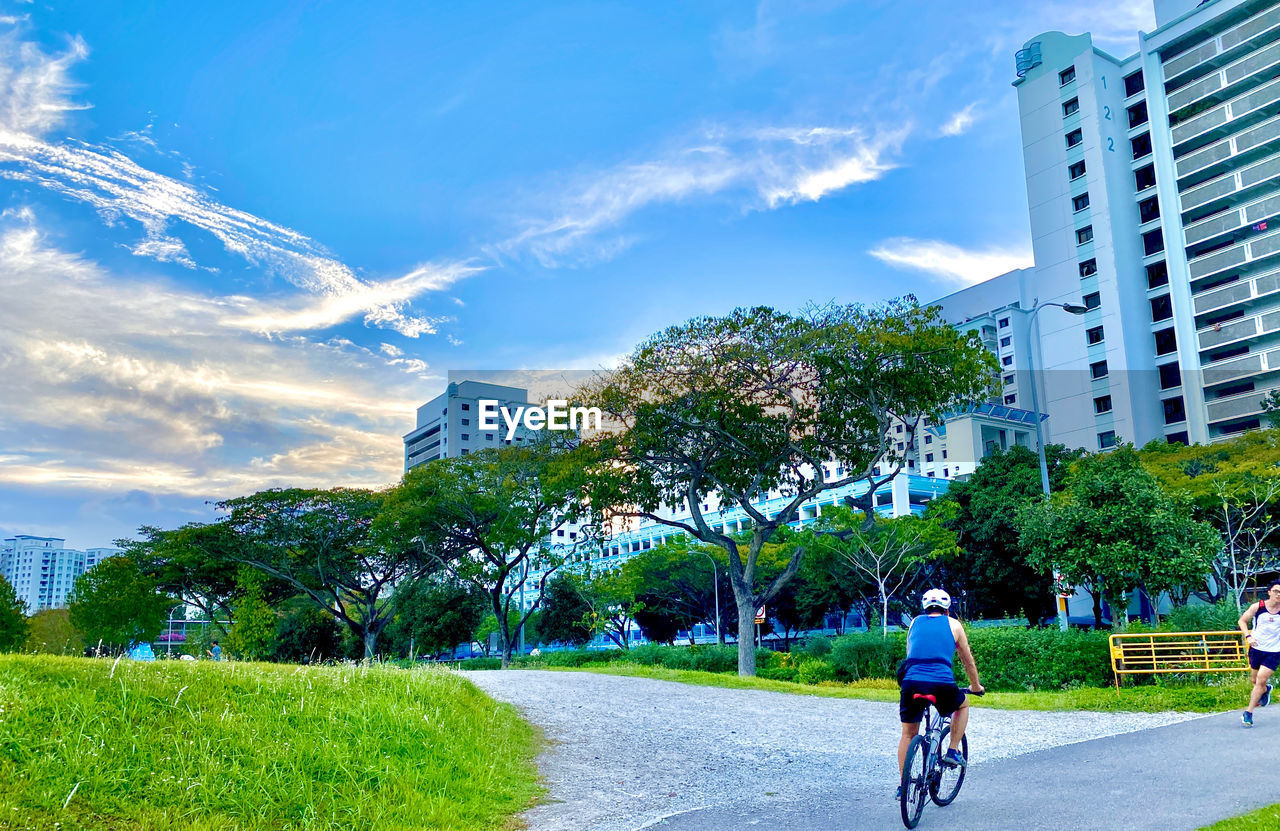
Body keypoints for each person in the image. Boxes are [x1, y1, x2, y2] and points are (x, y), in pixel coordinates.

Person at [897, 588, 983, 798]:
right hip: (941, 684)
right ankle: (952, 750)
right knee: (962, 705)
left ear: (925, 607)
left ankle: (903, 785)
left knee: (908, 734)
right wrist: (975, 687)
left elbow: (912, 652)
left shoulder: (914, 623)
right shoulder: (954, 625)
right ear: (947, 608)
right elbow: (967, 660)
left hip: (911, 682)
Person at [1238, 581, 1280, 727]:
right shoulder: (1258, 606)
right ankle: (1266, 690)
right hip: (1256, 649)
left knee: (1261, 679)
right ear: (1269, 592)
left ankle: (1248, 713)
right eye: (1276, 591)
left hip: (1274, 652)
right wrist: (1248, 636)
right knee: (1255, 681)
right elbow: (1242, 621)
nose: (1278, 594)